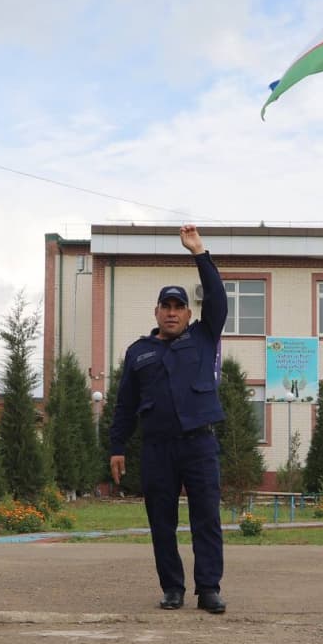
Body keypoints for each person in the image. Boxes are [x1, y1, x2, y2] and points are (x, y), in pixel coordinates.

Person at [108, 225, 229, 612]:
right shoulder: (138, 352)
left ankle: (208, 588)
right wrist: (116, 447)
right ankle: (172, 588)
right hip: (157, 447)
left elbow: (218, 299)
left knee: (206, 519)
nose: (172, 313)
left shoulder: (204, 336)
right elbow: (124, 404)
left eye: (179, 307)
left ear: (188, 313)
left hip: (199, 443)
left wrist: (199, 253)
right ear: (157, 312)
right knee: (161, 522)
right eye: (166, 307)